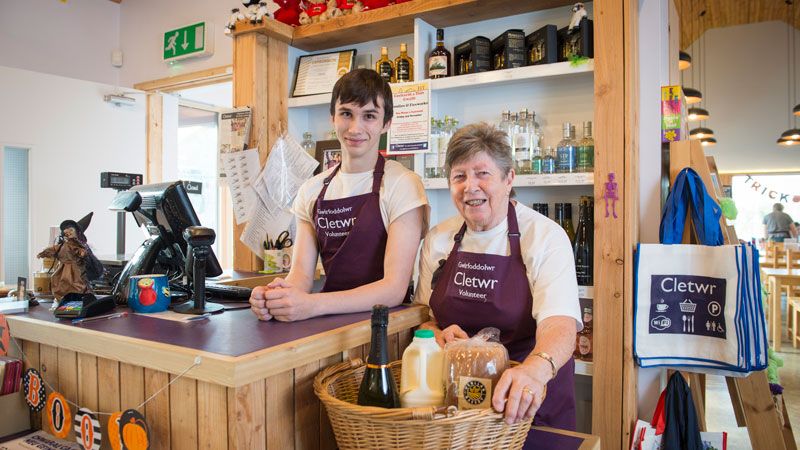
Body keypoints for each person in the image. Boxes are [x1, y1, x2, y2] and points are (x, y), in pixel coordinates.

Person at [414, 122, 581, 438]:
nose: (470, 186)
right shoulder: (438, 240)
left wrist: (534, 371)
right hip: (457, 407)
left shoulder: (545, 237)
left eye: (482, 174)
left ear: (509, 179)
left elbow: (560, 326)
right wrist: (434, 336)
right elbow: (426, 320)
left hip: (526, 402)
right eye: (459, 176)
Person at [249, 69, 429, 322]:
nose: (356, 128)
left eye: (369, 116)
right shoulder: (311, 190)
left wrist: (313, 305)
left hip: (384, 326)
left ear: (386, 123)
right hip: (328, 322)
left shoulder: (403, 184)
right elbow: (300, 274)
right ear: (333, 117)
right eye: (346, 114)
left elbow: (394, 289)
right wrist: (276, 297)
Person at [37, 213, 95, 300]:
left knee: (78, 285)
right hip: (64, 270)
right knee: (62, 285)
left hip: (77, 270)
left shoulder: (79, 246)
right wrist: (44, 253)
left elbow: (80, 252)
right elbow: (54, 249)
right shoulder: (63, 246)